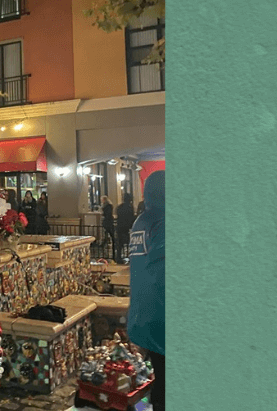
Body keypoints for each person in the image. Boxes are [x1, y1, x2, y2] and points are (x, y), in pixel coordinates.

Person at [127, 170, 164, 411]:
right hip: (161, 317)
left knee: (152, 380)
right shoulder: (164, 220)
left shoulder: (140, 222)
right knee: (165, 385)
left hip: (140, 315)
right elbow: (165, 274)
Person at [115, 193, 135, 264]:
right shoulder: (130, 207)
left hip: (120, 227)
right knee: (130, 243)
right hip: (127, 228)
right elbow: (131, 218)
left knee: (119, 244)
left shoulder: (119, 207)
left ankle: (118, 258)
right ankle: (130, 257)